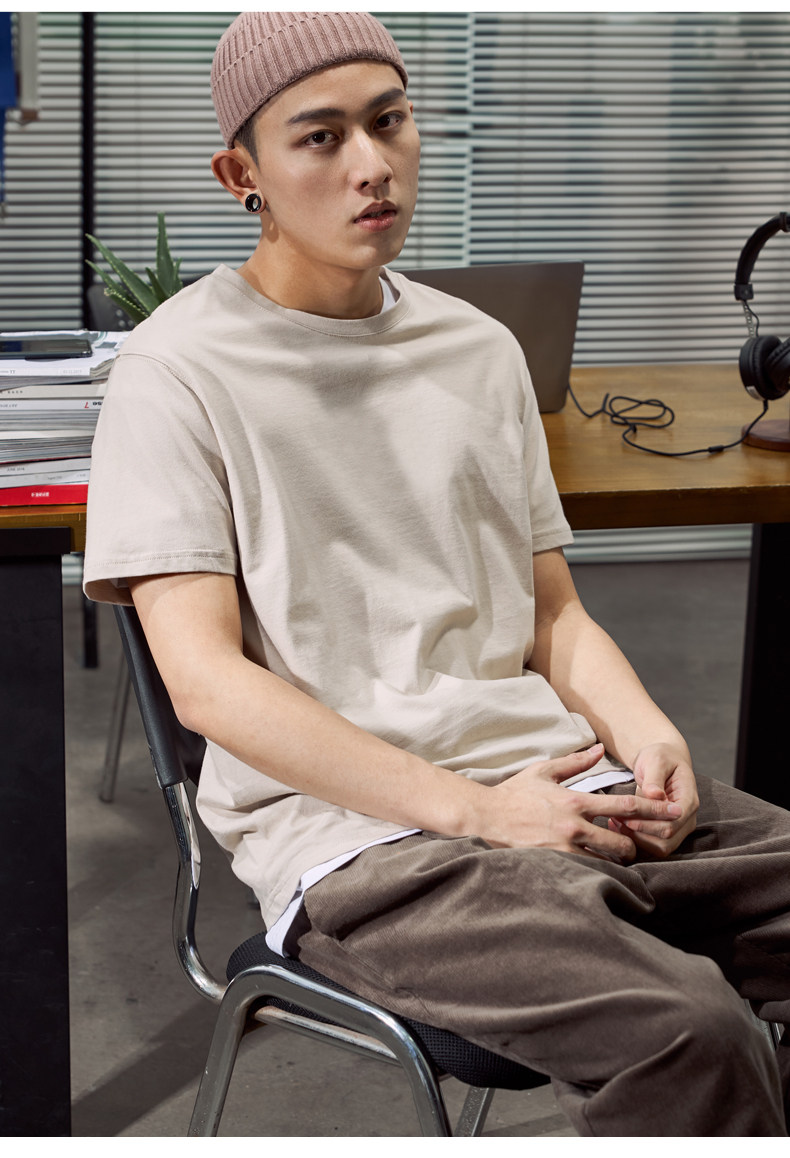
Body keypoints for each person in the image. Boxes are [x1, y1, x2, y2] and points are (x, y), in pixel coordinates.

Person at [84, 11, 790, 1137]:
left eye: (390, 121)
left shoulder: (476, 348)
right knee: (689, 1033)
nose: (371, 165)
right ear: (241, 175)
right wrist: (478, 811)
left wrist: (650, 735)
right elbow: (206, 685)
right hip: (367, 844)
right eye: (320, 138)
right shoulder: (177, 372)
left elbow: (551, 613)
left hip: (560, 783)